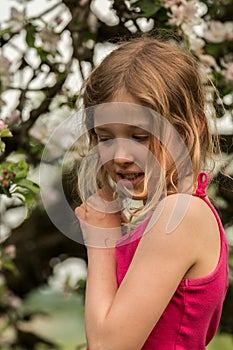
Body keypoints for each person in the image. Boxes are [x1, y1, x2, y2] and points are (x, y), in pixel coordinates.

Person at [75, 37, 229, 350]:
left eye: (139, 136)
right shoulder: (167, 216)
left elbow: (107, 346)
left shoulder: (180, 215)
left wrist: (100, 238)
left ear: (190, 129)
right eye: (105, 139)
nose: (119, 155)